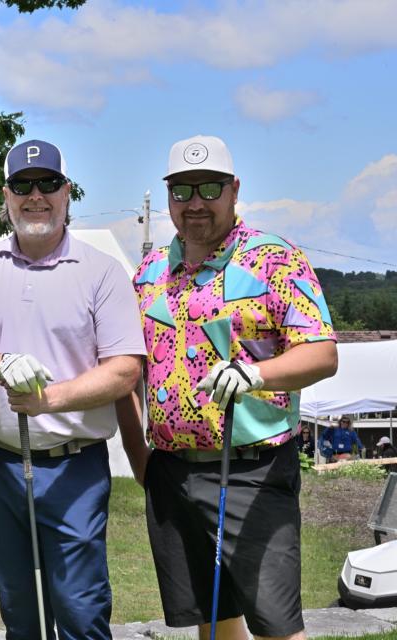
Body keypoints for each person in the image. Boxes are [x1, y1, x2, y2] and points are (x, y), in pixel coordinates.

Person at [129, 134, 338, 640]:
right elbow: (130, 371)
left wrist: (257, 374)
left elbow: (322, 353)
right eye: (181, 191)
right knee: (214, 618)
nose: (195, 203)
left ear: (234, 189)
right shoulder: (150, 271)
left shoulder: (275, 258)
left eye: (208, 188)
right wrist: (143, 460)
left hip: (253, 468)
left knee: (276, 625)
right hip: (173, 471)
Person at [0, 139, 146, 640]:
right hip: (1, 463)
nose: (36, 196)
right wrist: (1, 364)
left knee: (79, 611)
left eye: (48, 184)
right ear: (5, 195)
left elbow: (124, 370)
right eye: (23, 186)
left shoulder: (102, 271)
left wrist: (51, 399)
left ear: (66, 192)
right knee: (19, 612)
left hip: (75, 465)